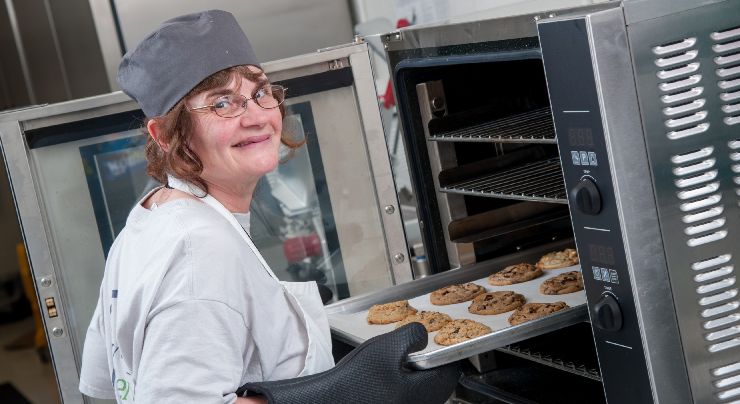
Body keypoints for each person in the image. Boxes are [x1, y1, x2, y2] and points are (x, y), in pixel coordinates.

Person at [78, 9, 460, 404]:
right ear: (164, 134)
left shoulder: (145, 220)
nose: (257, 117)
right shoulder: (200, 250)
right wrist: (344, 392)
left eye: (260, 92)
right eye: (222, 103)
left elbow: (102, 388)